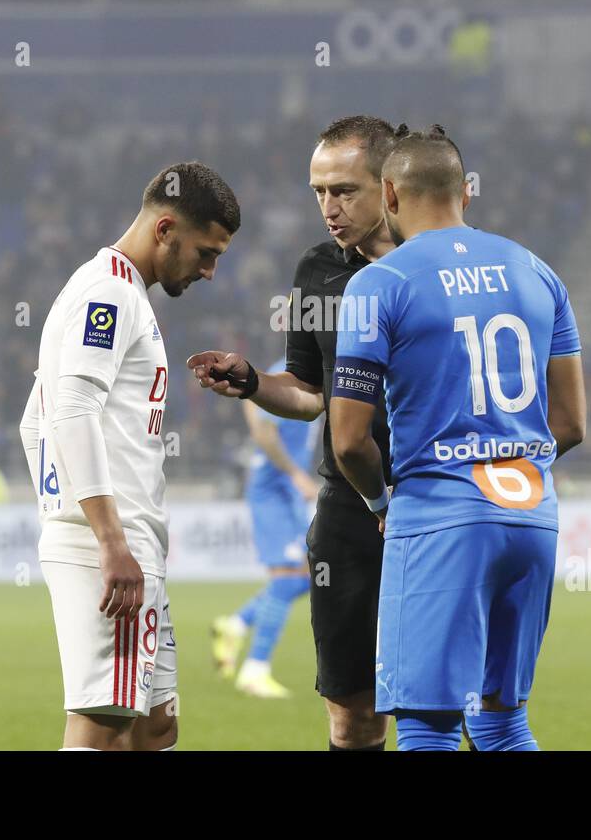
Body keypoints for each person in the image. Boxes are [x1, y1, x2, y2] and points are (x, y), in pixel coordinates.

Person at [329, 124, 586, 751]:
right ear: (465, 192)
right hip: (531, 515)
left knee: (428, 725)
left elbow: (350, 442)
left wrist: (381, 504)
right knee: (501, 724)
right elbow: (572, 424)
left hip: (440, 518)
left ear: (388, 194)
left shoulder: (378, 285)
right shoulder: (537, 271)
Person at [187, 116, 399, 750]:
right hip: (349, 507)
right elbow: (309, 395)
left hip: (435, 499)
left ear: (389, 186)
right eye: (318, 193)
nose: (328, 208)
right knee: (352, 714)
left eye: (344, 191)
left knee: (451, 704)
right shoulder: (318, 270)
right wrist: (253, 381)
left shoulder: (438, 262)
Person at [18, 161, 240, 751]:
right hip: (113, 550)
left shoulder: (111, 290)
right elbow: (71, 410)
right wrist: (103, 538)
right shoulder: (110, 294)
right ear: (165, 228)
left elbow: (33, 419)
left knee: (154, 727)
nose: (211, 271)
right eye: (206, 252)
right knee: (103, 732)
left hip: (129, 546)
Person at [211, 357, 320, 698]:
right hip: (274, 489)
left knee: (307, 574)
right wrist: (296, 474)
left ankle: (236, 624)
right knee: (289, 576)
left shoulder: (299, 369)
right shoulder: (287, 370)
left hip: (284, 490)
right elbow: (263, 430)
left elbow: (252, 409)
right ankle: (255, 669)